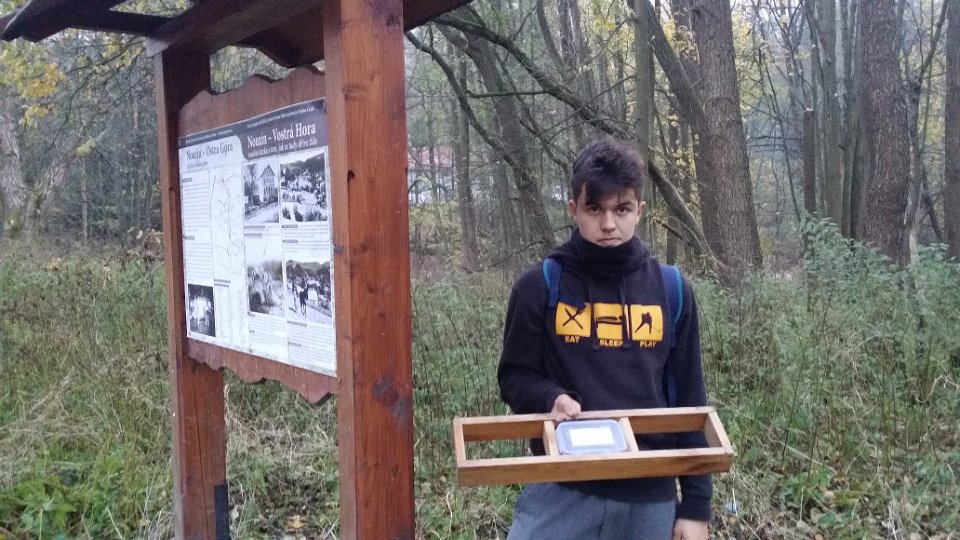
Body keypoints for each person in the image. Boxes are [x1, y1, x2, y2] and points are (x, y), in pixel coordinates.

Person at [497, 138, 712, 540]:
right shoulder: (539, 286)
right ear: (574, 210)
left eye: (622, 209)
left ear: (639, 211)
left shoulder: (671, 290)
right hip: (562, 487)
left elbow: (690, 397)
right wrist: (551, 398)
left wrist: (696, 507)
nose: (609, 224)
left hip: (649, 495)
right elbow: (513, 377)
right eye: (595, 209)